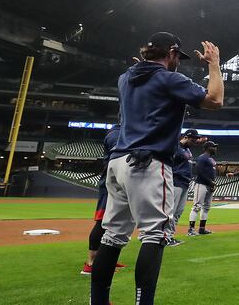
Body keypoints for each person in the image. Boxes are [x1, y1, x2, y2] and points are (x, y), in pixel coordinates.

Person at [90, 33, 223, 305]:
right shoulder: (169, 79)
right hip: (147, 163)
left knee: (113, 236)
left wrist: (143, 67)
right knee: (155, 235)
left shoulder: (125, 78)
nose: (178, 63)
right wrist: (214, 65)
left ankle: (98, 301)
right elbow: (215, 99)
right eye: (178, 57)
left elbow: (142, 79)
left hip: (117, 162)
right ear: (171, 52)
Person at [80, 124, 127, 274]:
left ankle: (106, 259)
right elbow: (119, 152)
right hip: (110, 183)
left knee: (115, 223)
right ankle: (91, 263)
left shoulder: (124, 131)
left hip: (120, 182)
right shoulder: (116, 132)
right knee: (102, 222)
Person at [166, 129, 201, 247]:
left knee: (178, 212)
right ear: (185, 137)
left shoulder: (187, 150)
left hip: (185, 183)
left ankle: (170, 236)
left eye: (196, 139)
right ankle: (165, 236)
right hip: (175, 182)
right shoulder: (175, 147)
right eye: (193, 139)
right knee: (171, 211)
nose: (195, 141)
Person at [188, 141, 218, 235]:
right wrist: (210, 182)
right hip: (201, 184)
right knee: (197, 206)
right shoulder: (202, 158)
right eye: (213, 147)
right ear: (208, 147)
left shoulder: (211, 159)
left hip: (209, 185)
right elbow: (199, 172)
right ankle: (191, 230)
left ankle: (202, 229)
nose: (215, 148)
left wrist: (212, 184)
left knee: (206, 208)